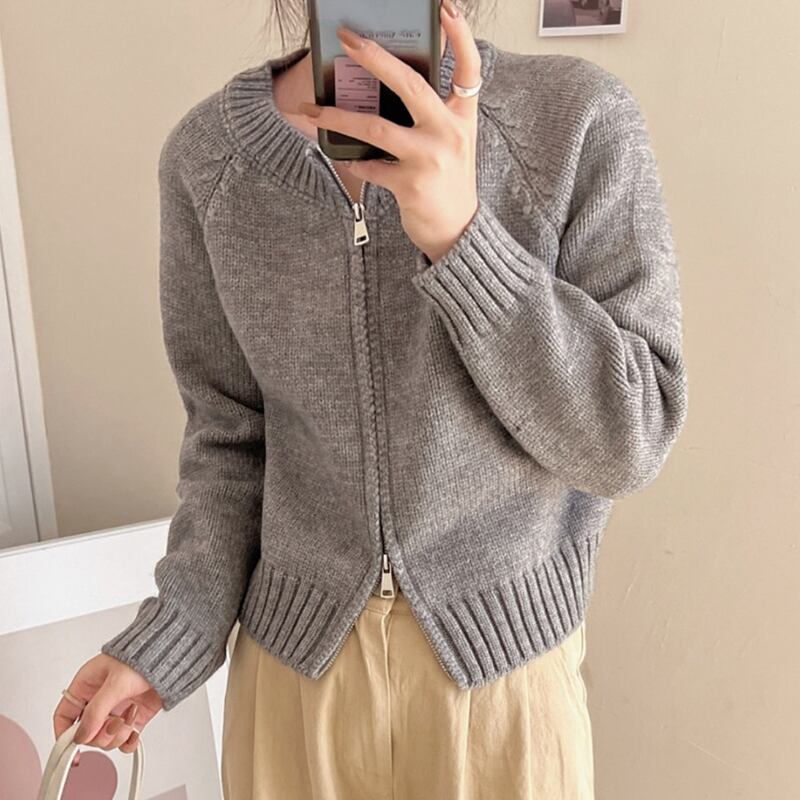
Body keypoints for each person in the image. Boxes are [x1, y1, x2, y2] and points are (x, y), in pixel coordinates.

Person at [53, 0, 688, 797]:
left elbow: (629, 438)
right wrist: (174, 633)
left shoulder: (575, 119)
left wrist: (463, 239)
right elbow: (228, 443)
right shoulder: (208, 159)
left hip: (503, 696)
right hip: (293, 692)